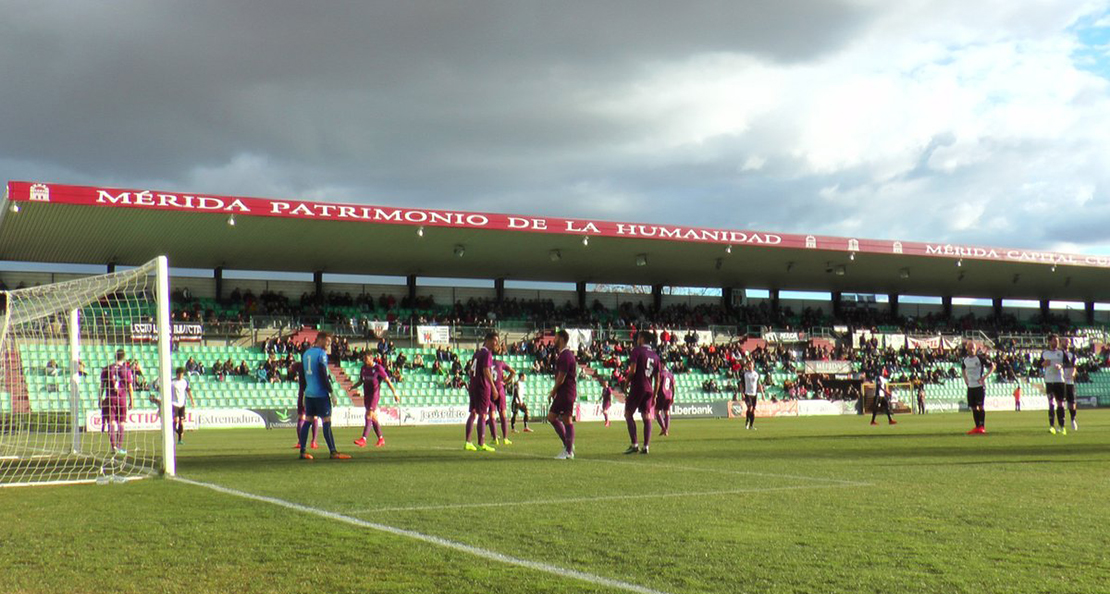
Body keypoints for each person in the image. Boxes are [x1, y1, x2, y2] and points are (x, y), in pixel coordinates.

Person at [297, 333, 350, 460]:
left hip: (309, 394)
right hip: (320, 394)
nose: (328, 345)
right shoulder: (321, 355)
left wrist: (304, 392)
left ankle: (303, 452)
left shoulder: (306, 354)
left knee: (308, 420)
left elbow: (302, 375)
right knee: (326, 421)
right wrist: (331, 392)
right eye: (327, 341)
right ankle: (333, 452)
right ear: (320, 340)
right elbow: (323, 374)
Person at [350, 353, 399, 448]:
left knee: (368, 415)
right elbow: (361, 381)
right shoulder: (363, 368)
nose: (364, 360)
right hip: (367, 395)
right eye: (364, 359)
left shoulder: (378, 368)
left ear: (371, 359)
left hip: (374, 395)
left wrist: (395, 393)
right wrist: (353, 387)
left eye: (366, 358)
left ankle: (363, 439)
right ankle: (381, 438)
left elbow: (388, 381)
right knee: (373, 418)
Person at [624, 331, 660, 455]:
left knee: (628, 414)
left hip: (638, 386)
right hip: (649, 389)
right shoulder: (655, 356)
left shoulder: (637, 351)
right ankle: (646, 446)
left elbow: (632, 370)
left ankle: (634, 444)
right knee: (646, 416)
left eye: (638, 337)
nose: (637, 339)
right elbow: (658, 378)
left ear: (642, 338)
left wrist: (626, 382)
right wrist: (655, 395)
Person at [464, 332, 499, 452]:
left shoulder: (477, 353)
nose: (496, 344)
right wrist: (493, 387)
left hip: (473, 386)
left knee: (473, 413)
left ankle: (468, 442)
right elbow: (486, 371)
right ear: (488, 340)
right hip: (482, 387)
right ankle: (481, 443)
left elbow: (471, 370)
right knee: (483, 415)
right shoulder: (487, 354)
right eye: (495, 341)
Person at [547, 329, 578, 460]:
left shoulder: (565, 356)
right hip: (567, 392)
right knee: (564, 419)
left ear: (561, 339)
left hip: (565, 392)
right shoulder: (565, 355)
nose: (554, 340)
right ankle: (568, 447)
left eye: (556, 337)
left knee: (553, 417)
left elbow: (562, 377)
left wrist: (553, 391)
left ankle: (568, 449)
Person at [99, 349, 134, 455]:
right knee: (121, 423)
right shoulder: (127, 370)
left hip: (110, 398)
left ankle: (113, 446)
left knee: (111, 423)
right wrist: (132, 401)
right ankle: (119, 447)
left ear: (115, 356)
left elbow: (101, 387)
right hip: (122, 398)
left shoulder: (107, 369)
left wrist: (99, 399)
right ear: (123, 357)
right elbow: (130, 387)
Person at [961, 341, 993, 435]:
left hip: (979, 386)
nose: (971, 350)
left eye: (973, 348)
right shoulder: (965, 360)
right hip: (971, 387)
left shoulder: (980, 359)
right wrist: (965, 378)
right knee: (974, 407)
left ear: (975, 349)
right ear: (967, 349)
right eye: (970, 348)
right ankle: (977, 427)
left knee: (981, 406)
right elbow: (963, 369)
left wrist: (984, 377)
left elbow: (992, 366)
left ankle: (982, 426)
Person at [488, 344, 516, 446]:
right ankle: (505, 438)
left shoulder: (487, 364)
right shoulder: (500, 363)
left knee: (492, 415)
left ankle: (495, 438)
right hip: (500, 389)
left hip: (491, 390)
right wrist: (506, 381)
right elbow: (513, 372)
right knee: (503, 414)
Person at [1041, 335, 1067, 435]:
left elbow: (1067, 363)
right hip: (1049, 381)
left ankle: (1062, 426)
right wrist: (1044, 364)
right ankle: (1052, 426)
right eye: (1054, 341)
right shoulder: (1045, 353)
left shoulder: (1061, 353)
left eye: (1057, 341)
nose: (1056, 342)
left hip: (1060, 380)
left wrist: (1060, 365)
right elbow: (1039, 364)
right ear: (1049, 342)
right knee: (1051, 403)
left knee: (1060, 404)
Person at [170, 366, 195, 445]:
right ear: (176, 374)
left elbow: (188, 390)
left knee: (181, 422)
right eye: (179, 374)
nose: (180, 376)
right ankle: (173, 430)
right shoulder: (172, 382)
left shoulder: (185, 381)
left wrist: (192, 400)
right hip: (174, 403)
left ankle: (180, 439)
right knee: (176, 420)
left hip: (182, 404)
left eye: (181, 374)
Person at [1062, 340, 1079, 432]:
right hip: (1061, 381)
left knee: (1072, 404)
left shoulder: (1072, 355)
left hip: (1069, 382)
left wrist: (1073, 373)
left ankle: (1073, 419)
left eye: (1068, 342)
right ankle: (1062, 423)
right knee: (1061, 403)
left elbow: (1074, 367)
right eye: (1065, 342)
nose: (1067, 344)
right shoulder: (1059, 354)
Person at [655, 365, 675, 437]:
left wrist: (655, 394)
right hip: (669, 395)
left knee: (657, 412)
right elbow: (673, 387)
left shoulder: (660, 373)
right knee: (667, 412)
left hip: (662, 394)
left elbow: (658, 383)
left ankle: (664, 429)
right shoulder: (670, 375)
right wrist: (673, 396)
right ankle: (666, 430)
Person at [741, 362, 762, 430]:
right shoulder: (745, 374)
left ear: (753, 366)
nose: (750, 366)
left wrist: (762, 394)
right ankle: (747, 422)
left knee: (753, 410)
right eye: (749, 364)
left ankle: (751, 425)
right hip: (747, 393)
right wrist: (742, 393)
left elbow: (759, 384)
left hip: (754, 394)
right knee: (749, 408)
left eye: (751, 365)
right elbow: (741, 384)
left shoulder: (756, 374)